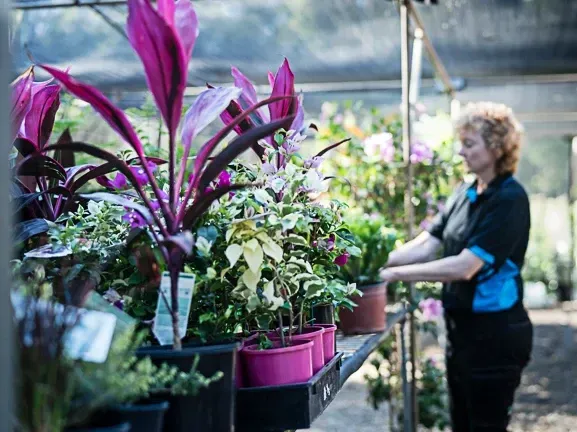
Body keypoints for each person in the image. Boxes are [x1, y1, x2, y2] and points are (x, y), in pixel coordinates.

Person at [379, 102, 533, 432]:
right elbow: (428, 242)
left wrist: (393, 275)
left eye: (469, 143)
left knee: (485, 425)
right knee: (462, 423)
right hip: (462, 332)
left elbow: (466, 267)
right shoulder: (465, 192)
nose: (461, 152)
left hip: (495, 335)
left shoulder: (510, 199)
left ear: (496, 146)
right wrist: (377, 262)